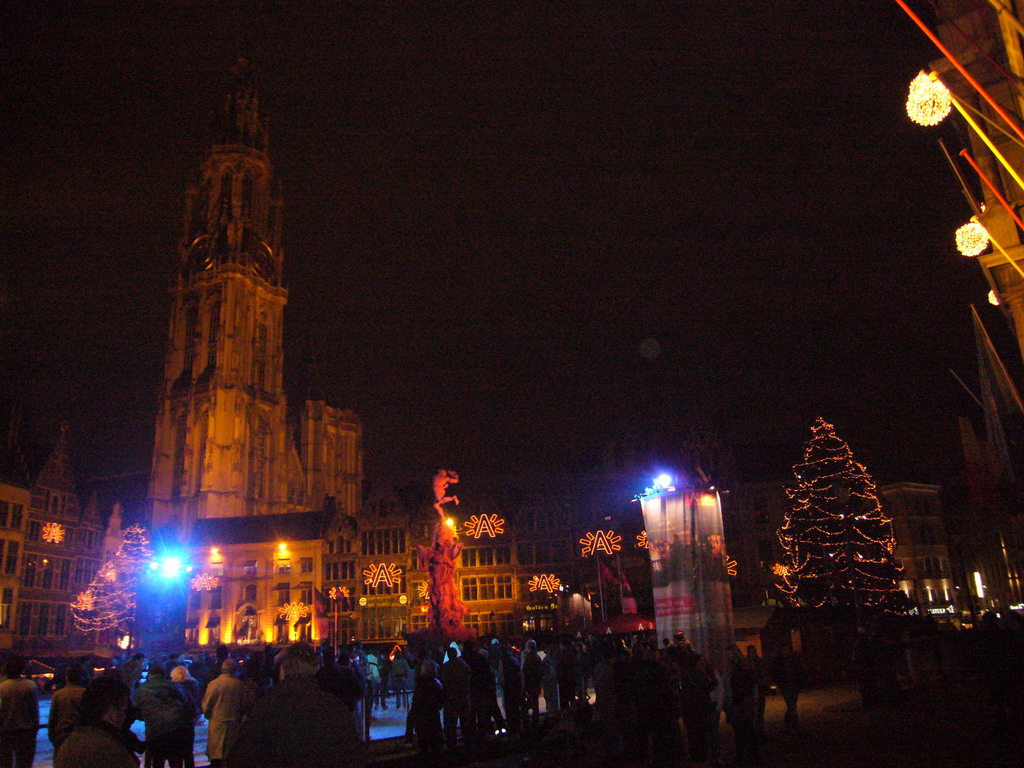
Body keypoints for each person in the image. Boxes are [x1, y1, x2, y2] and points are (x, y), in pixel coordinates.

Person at [226, 642, 366, 768]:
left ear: (283, 669)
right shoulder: (333, 707)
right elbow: (353, 756)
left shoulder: (264, 708)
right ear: (315, 668)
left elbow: (241, 757)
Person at [55, 676, 138, 768]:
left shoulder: (73, 741)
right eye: (123, 709)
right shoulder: (108, 749)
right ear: (112, 710)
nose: (124, 715)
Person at [134, 663, 194, 768]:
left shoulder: (141, 690)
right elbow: (191, 706)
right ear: (164, 675)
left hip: (155, 731)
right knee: (176, 761)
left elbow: (135, 710)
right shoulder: (176, 686)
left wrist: (147, 716)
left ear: (150, 676)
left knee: (157, 761)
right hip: (177, 728)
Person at [202, 658, 245, 768]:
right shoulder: (239, 684)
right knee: (230, 754)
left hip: (217, 722)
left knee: (216, 754)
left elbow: (207, 703)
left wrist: (208, 714)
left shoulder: (215, 684)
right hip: (233, 722)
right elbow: (243, 704)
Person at [0, 655, 40, 768]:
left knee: (5, 763)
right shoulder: (30, 685)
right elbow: (34, 710)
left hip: (6, 732)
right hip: (26, 732)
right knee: (25, 763)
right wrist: (35, 728)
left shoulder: (2, 688)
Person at [724, 645, 760, 767]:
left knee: (744, 729)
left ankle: (747, 755)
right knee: (743, 729)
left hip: (742, 701)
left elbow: (750, 682)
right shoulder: (734, 667)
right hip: (740, 701)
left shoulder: (740, 667)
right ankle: (748, 755)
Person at [49, 665, 88, 754]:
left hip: (62, 734)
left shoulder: (58, 695)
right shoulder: (86, 693)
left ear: (67, 678)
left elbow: (53, 717)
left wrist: (51, 734)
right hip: (82, 735)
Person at [409, 659, 445, 755]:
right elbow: (440, 702)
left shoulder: (421, 686)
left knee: (424, 748)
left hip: (422, 720)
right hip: (433, 719)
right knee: (436, 748)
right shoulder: (436, 684)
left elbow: (415, 706)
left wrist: (409, 730)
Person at [440, 646, 473, 749]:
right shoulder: (464, 666)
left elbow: (444, 683)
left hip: (451, 699)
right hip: (463, 696)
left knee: (450, 725)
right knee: (465, 722)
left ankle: (452, 745)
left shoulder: (446, 667)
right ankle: (468, 744)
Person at [170, 666, 201, 768]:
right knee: (188, 751)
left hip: (177, 721)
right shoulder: (194, 684)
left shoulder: (174, 687)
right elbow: (196, 701)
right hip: (190, 720)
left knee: (177, 752)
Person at [771, 643, 804, 733]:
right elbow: (775, 673)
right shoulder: (779, 662)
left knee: (792, 705)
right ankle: (794, 724)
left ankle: (789, 721)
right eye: (784, 650)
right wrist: (779, 683)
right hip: (785, 686)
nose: (785, 652)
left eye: (787, 650)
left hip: (794, 685)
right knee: (791, 705)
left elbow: (800, 670)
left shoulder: (794, 660)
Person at [745, 646, 769, 738]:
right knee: (753, 711)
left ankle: (760, 731)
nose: (753, 653)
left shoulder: (759, 661)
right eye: (751, 652)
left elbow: (763, 673)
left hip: (760, 688)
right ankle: (755, 731)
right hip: (752, 689)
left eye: (754, 651)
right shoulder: (747, 663)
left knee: (760, 711)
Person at [520, 639, 544, 732]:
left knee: (527, 704)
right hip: (536, 683)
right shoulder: (537, 657)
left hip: (529, 684)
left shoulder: (528, 658)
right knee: (535, 704)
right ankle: (535, 722)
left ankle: (528, 724)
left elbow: (525, 670)